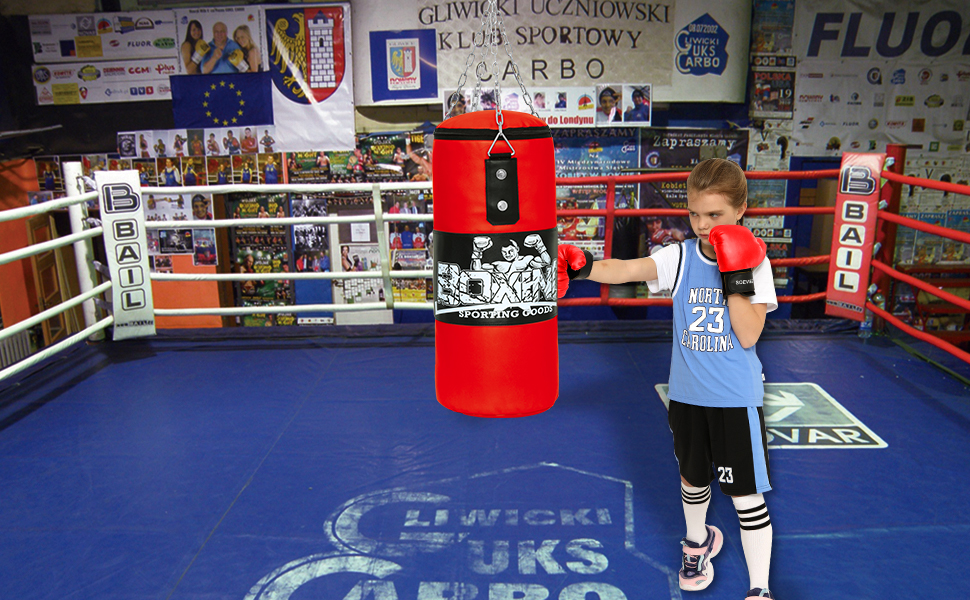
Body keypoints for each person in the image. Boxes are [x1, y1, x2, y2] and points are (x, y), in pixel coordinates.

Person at [558, 158, 778, 600]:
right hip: (687, 396)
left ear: (741, 210)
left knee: (746, 496)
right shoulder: (680, 256)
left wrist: (733, 275)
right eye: (694, 214)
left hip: (736, 398)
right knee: (693, 481)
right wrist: (584, 267)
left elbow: (750, 333)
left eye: (713, 215)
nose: (701, 224)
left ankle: (759, 589)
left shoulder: (755, 264)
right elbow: (628, 270)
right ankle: (698, 544)